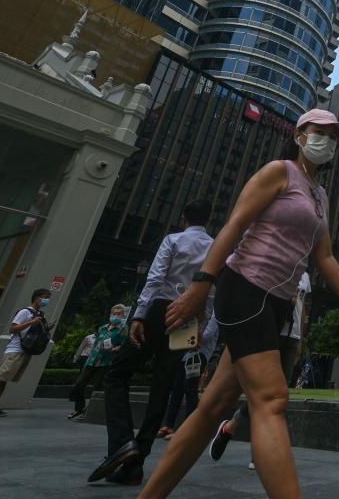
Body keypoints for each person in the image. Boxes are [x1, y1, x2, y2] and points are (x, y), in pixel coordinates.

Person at [136, 109, 339, 499]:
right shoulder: (278, 171)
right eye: (320, 132)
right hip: (244, 288)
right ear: (300, 135)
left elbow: (324, 255)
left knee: (213, 408)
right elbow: (234, 225)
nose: (327, 141)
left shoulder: (320, 195)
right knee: (271, 398)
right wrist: (201, 285)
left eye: (334, 137)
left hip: (276, 303)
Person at [87, 199, 216, 486]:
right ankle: (137, 461)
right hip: (189, 318)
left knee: (117, 375)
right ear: (207, 220)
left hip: (161, 309)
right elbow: (210, 292)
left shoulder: (173, 239)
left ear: (184, 218)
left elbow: (155, 276)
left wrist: (139, 315)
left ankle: (122, 443)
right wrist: (200, 327)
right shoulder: (214, 246)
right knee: (163, 383)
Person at [209, 272, 310, 469]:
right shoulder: (277, 264)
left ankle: (231, 426)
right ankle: (260, 452)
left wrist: (301, 339)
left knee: (279, 396)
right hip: (269, 330)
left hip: (292, 336)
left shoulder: (304, 274)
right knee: (263, 394)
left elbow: (302, 306)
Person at [0, 288, 54, 418]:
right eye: (45, 297)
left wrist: (47, 327)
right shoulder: (25, 312)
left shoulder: (40, 314)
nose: (47, 300)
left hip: (25, 351)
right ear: (37, 297)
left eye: (49, 297)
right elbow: (13, 328)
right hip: (15, 350)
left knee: (3, 380)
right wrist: (31, 321)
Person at [158, 317, 218, 437]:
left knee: (190, 388)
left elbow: (208, 334)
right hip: (184, 352)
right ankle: (168, 425)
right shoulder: (196, 309)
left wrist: (189, 338)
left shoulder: (214, 311)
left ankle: (188, 429)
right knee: (176, 388)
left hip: (199, 353)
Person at [68, 303, 129, 420]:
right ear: (110, 314)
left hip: (106, 362)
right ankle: (79, 408)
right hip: (92, 360)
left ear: (123, 316)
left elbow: (125, 345)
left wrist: (116, 348)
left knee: (97, 388)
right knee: (79, 384)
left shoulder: (123, 329)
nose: (116, 316)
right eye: (114, 313)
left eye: (119, 314)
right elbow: (96, 343)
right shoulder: (103, 328)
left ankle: (88, 410)